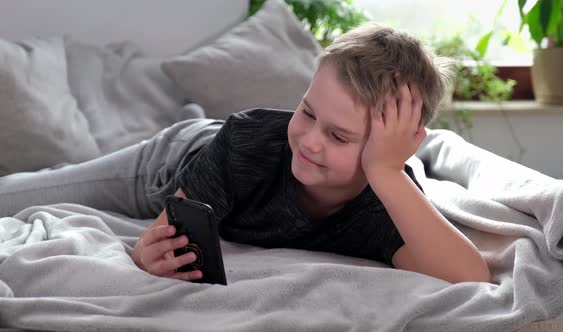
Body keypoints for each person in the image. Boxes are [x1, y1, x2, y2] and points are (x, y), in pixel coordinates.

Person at [131, 23, 490, 284]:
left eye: (338, 135)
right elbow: (155, 242)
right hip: (171, 159)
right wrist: (144, 256)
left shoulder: (386, 195)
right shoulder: (244, 145)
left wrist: (386, 172)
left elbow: (470, 276)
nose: (310, 141)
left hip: (221, 148)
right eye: (307, 112)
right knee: (72, 182)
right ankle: (189, 117)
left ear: (392, 148)